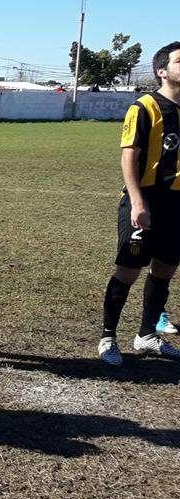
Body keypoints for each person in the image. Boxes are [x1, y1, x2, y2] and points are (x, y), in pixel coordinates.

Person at [98, 41, 180, 365]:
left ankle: (147, 335)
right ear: (162, 71)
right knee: (128, 270)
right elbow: (128, 157)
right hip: (146, 199)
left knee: (164, 270)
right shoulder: (145, 107)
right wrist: (137, 202)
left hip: (177, 204)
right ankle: (107, 337)